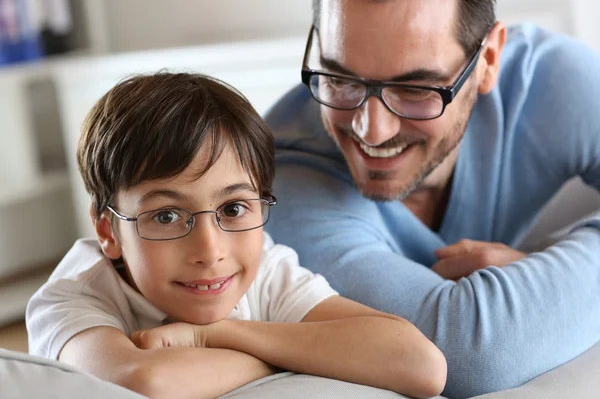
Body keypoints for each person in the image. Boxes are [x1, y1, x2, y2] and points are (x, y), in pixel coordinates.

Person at [26, 73, 446, 399]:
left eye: (232, 209)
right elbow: (144, 384)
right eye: (167, 215)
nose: (210, 251)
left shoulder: (264, 266)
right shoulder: (72, 297)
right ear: (108, 230)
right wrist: (300, 357)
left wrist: (213, 336)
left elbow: (421, 363)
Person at [264, 0, 600, 397]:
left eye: (414, 88)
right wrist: (556, 270)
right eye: (341, 80)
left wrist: (548, 261)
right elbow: (471, 354)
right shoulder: (279, 187)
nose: (372, 131)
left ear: (488, 60)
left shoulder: (547, 80)